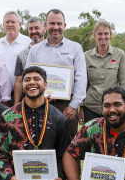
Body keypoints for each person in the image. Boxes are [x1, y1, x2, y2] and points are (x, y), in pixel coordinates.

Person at [26, 9, 87, 137]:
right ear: (45, 26)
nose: (55, 27)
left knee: (68, 149)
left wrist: (73, 106)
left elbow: (81, 79)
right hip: (40, 103)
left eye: (59, 24)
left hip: (67, 106)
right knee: (42, 143)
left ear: (64, 26)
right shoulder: (35, 50)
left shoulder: (75, 48)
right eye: (52, 23)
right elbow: (28, 78)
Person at [80, 20, 125, 123]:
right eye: (100, 34)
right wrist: (81, 107)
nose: (103, 37)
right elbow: (83, 84)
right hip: (91, 107)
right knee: (92, 137)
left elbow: (123, 83)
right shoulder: (86, 56)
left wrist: (124, 105)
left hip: (113, 107)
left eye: (106, 33)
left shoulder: (120, 54)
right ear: (94, 35)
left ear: (110, 34)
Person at [0, 11, 31, 95]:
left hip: (22, 94)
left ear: (20, 24)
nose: (10, 25)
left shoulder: (29, 43)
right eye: (7, 22)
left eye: (13, 22)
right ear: (3, 25)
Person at [13, 16, 46, 103]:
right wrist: (16, 105)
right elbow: (19, 81)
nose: (34, 31)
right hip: (30, 101)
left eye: (37, 28)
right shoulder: (22, 54)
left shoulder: (54, 50)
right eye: (30, 29)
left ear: (44, 29)